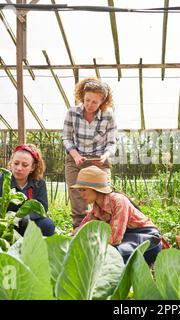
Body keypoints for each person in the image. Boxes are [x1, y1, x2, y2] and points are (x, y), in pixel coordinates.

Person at [71, 166, 162, 265]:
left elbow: (114, 239)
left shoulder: (118, 201)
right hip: (126, 238)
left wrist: (88, 246)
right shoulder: (96, 208)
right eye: (79, 190)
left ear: (97, 189)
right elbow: (82, 228)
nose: (81, 194)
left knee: (110, 257)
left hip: (147, 240)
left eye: (84, 190)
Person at [62, 77, 117, 230]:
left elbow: (111, 143)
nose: (89, 105)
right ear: (82, 96)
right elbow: (66, 138)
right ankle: (78, 232)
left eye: (95, 102)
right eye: (87, 100)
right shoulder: (72, 113)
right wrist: (76, 156)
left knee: (104, 197)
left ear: (102, 102)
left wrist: (105, 156)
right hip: (76, 159)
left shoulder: (108, 116)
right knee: (78, 200)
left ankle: (104, 232)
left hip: (99, 160)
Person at [0, 144, 55, 237]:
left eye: (25, 165)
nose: (19, 168)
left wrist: (25, 217)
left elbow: (43, 208)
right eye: (16, 163)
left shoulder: (39, 183)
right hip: (2, 225)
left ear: (32, 168)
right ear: (11, 163)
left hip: (27, 224)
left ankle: (31, 247)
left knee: (48, 225)